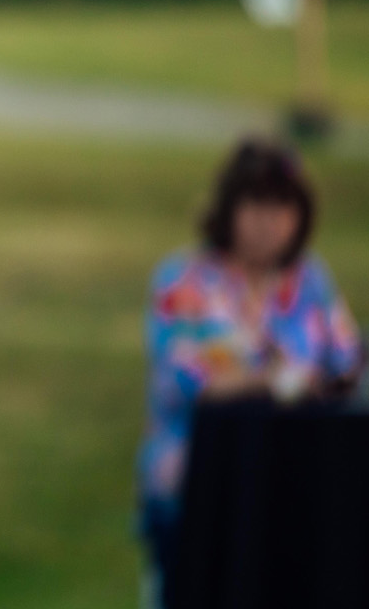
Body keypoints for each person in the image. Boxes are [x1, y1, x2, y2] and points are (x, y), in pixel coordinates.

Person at [137, 137, 362, 607]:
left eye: (283, 207)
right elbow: (189, 379)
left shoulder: (309, 281)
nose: (269, 222)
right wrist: (279, 381)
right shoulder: (186, 280)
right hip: (198, 491)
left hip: (294, 490)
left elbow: (346, 362)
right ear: (229, 208)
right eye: (256, 205)